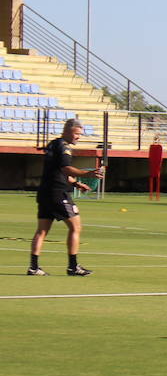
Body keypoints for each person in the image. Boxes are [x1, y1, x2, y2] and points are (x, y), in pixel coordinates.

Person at [30, 118, 103, 276]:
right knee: (76, 227)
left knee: (42, 230)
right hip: (58, 193)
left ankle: (34, 267)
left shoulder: (53, 144)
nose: (79, 137)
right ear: (69, 131)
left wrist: (77, 184)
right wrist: (87, 174)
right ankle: (73, 266)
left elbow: (56, 171)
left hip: (45, 193)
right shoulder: (64, 147)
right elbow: (66, 169)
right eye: (77, 134)